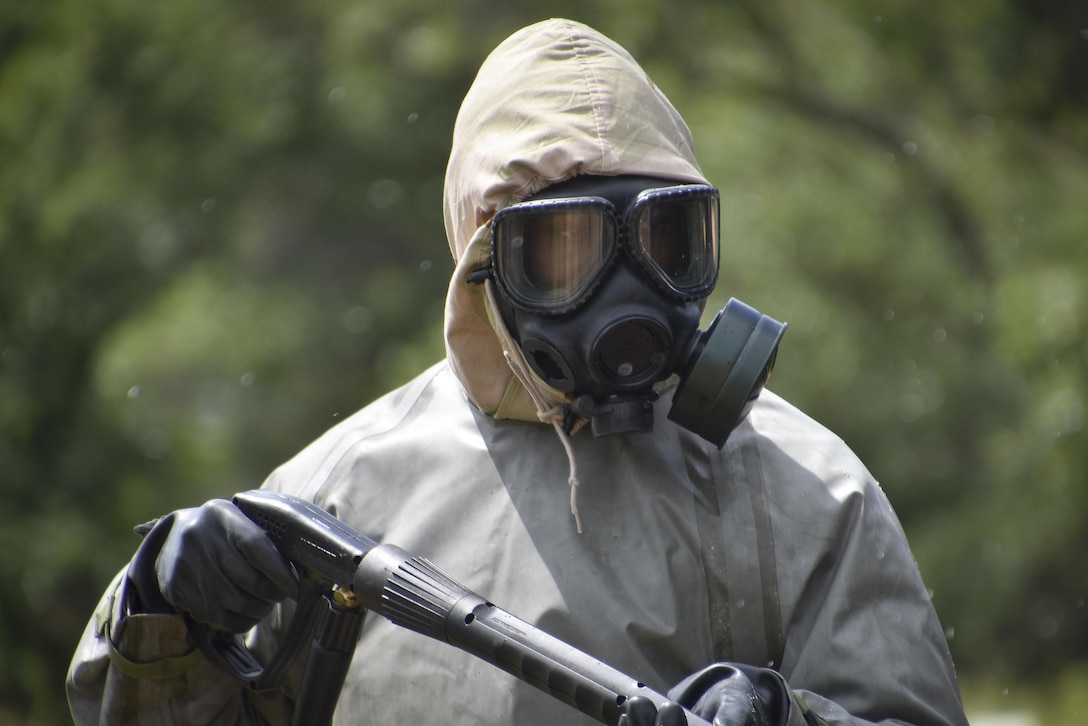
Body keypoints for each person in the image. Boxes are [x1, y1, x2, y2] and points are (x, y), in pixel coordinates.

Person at [67, 18, 969, 726]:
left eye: (664, 242)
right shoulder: (338, 498)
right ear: (484, 268)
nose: (628, 297)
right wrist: (160, 619)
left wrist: (790, 717)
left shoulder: (807, 491)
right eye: (568, 249)